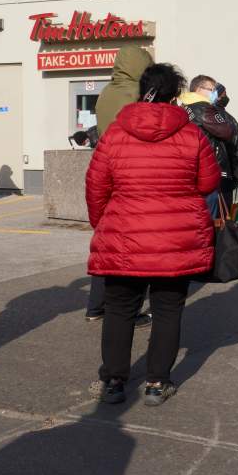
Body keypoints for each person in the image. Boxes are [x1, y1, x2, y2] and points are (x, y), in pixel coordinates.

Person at [86, 63, 220, 406]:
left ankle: (114, 381)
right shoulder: (191, 134)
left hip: (124, 236)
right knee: (168, 309)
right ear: (176, 95)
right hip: (174, 239)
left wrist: (103, 222)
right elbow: (208, 182)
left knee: (119, 309)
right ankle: (157, 382)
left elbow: (96, 185)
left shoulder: (115, 133)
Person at [88, 45, 155, 325]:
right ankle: (131, 310)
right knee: (134, 245)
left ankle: (95, 306)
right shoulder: (137, 94)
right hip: (132, 172)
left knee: (107, 241)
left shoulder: (106, 92)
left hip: (106, 169)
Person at [180, 75, 238, 219]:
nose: (214, 93)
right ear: (198, 89)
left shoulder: (183, 108)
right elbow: (228, 132)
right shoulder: (204, 108)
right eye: (212, 89)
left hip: (189, 169)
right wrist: (237, 173)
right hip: (212, 170)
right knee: (215, 218)